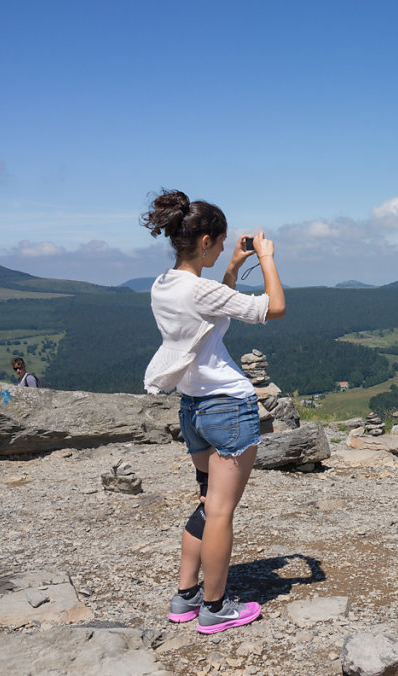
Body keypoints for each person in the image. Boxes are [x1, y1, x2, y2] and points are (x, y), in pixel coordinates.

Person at [141, 189, 285, 634]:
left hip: (194, 410)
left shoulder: (164, 285)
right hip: (229, 409)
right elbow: (273, 307)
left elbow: (210, 307)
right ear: (204, 240)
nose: (224, 246)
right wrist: (265, 257)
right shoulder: (199, 291)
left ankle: (185, 597)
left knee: (206, 503)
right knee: (221, 511)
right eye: (221, 242)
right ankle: (216, 607)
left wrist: (233, 267)